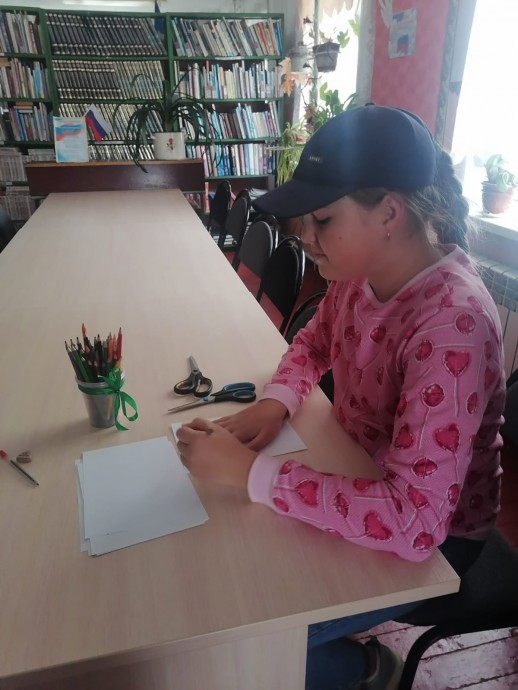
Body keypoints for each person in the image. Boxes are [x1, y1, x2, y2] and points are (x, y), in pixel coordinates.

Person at [177, 105, 506, 690]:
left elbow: (415, 521)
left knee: (237, 642)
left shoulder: (452, 324)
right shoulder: (358, 274)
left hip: (438, 539)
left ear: (389, 214)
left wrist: (253, 474)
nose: (305, 237)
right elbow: (313, 342)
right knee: (228, 590)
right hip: (359, 474)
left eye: (322, 220)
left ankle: (368, 669)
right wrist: (278, 401)